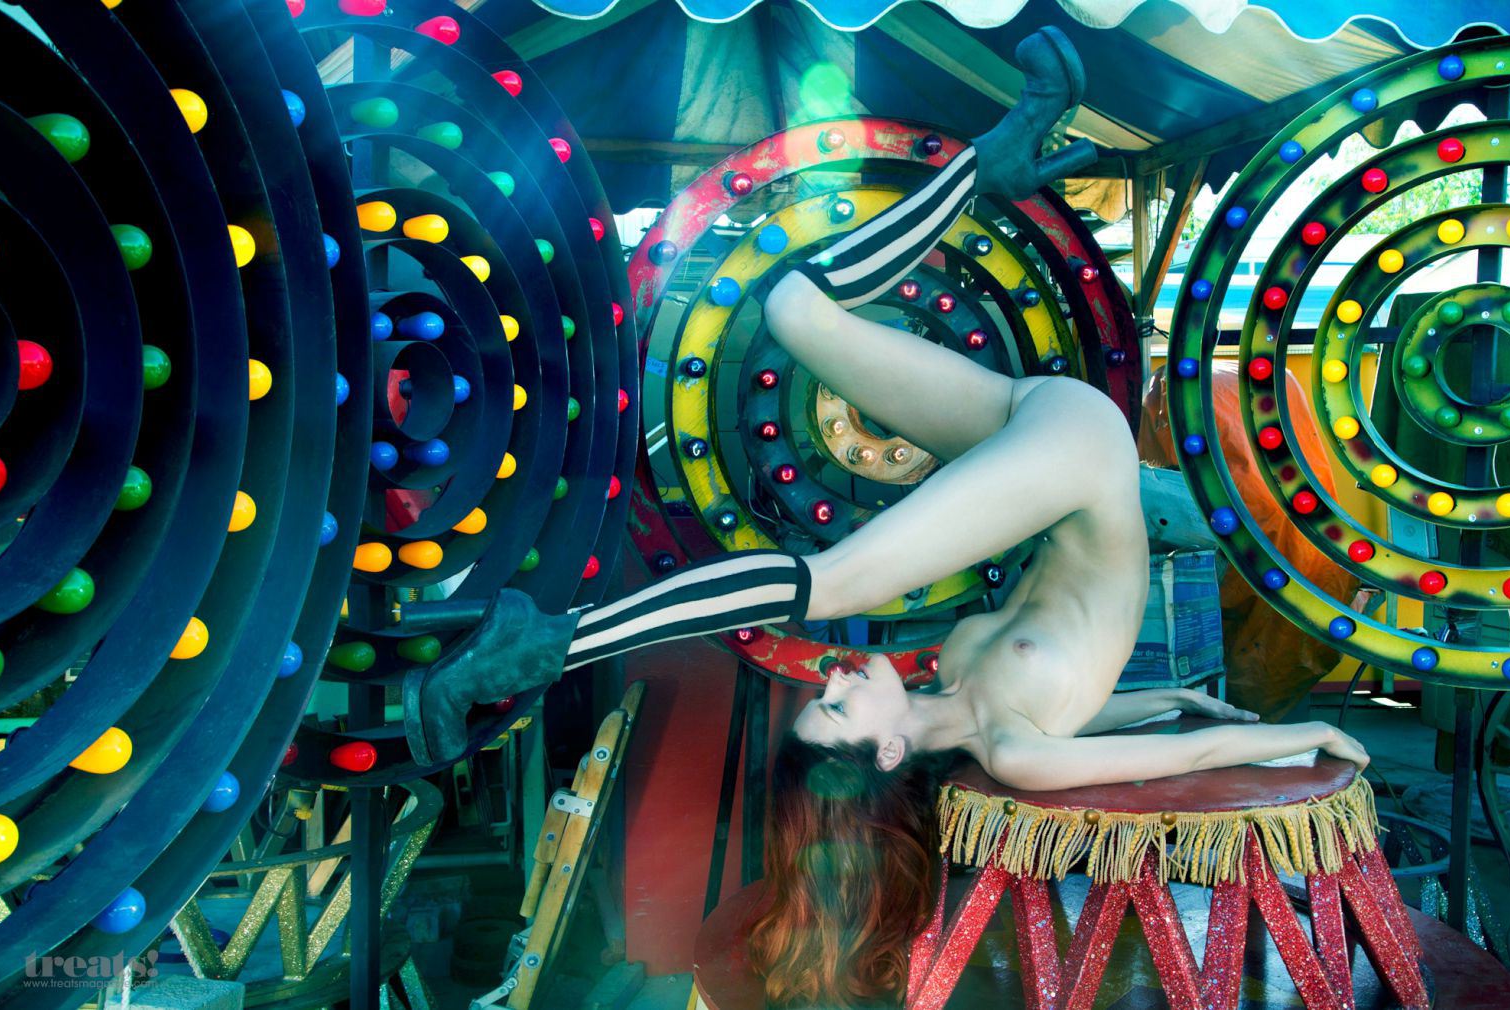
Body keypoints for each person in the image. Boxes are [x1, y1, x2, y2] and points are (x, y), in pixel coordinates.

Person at [402, 25, 1369, 1007]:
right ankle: (542, 644)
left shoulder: (965, 693)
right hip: (1083, 458)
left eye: (820, 697)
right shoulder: (1013, 748)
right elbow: (1174, 757)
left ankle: (993, 161)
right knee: (832, 584)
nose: (830, 677)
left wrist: (1180, 701)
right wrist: (1293, 737)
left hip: (1027, 417)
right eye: (837, 708)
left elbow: (1098, 708)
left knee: (796, 309)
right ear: (891, 749)